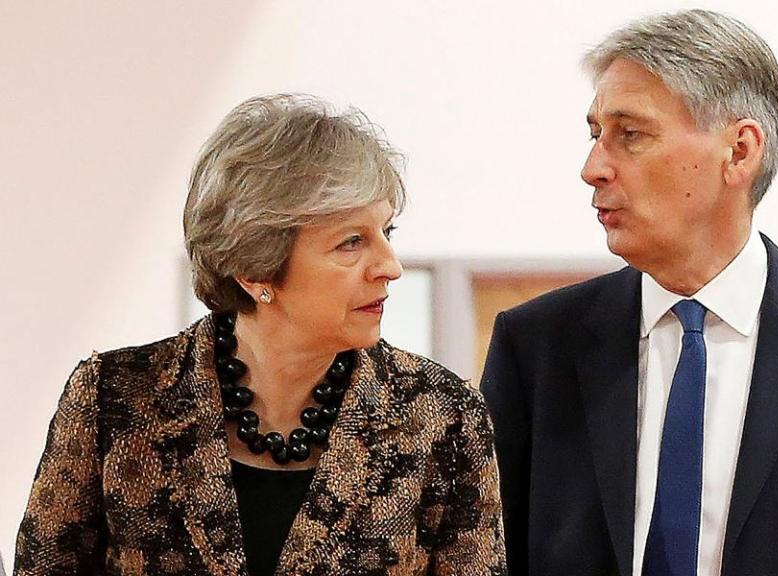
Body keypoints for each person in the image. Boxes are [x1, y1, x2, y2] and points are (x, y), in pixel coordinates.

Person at [481, 9, 778, 576]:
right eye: (594, 134)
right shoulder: (534, 346)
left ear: (741, 151)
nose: (592, 167)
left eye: (630, 135)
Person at [15, 94, 506, 576]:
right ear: (255, 270)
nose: (390, 267)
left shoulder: (443, 415)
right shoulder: (114, 398)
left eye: (387, 233)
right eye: (351, 242)